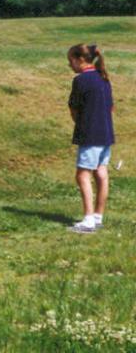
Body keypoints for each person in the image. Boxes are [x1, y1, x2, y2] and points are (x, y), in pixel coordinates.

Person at [66, 44, 114, 234]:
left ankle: (88, 220)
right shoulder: (104, 78)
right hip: (106, 133)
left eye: (70, 61)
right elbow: (110, 108)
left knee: (83, 174)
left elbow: (74, 108)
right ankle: (97, 216)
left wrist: (80, 123)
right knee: (101, 173)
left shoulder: (80, 80)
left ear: (80, 60)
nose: (70, 65)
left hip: (90, 134)